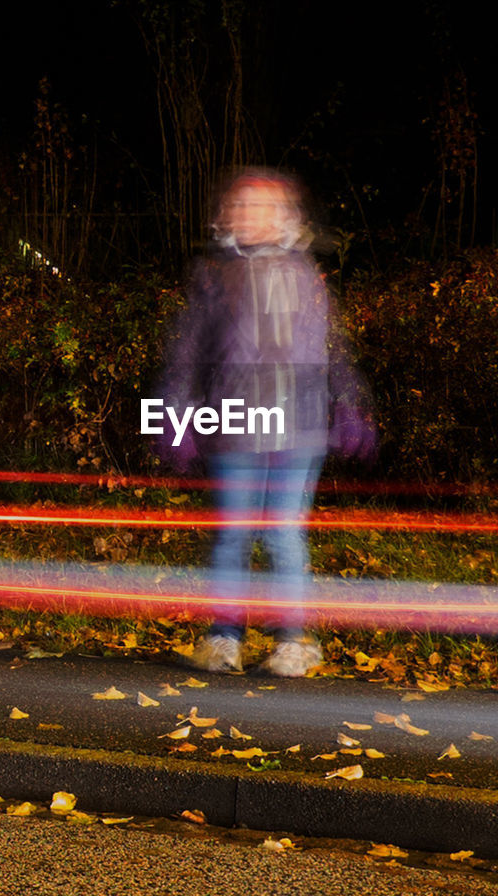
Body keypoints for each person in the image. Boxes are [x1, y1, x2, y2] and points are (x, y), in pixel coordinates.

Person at [153, 168, 375, 676]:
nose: (252, 215)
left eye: (264, 207)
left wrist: (351, 401)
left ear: (285, 218)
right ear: (228, 216)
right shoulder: (213, 275)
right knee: (232, 533)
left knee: (283, 534)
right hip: (234, 422)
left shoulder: (308, 277)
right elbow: (188, 348)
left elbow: (334, 348)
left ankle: (293, 641)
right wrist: (173, 408)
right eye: (242, 206)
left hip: (299, 427)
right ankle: (224, 639)